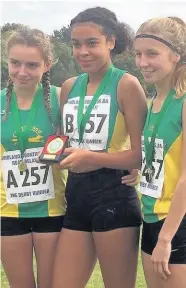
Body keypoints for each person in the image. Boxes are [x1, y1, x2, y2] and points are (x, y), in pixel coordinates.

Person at [52, 6, 147, 288]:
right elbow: (64, 139)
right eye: (76, 44)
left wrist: (91, 158)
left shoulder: (127, 85)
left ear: (111, 42)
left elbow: (142, 155)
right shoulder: (69, 86)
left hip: (114, 196)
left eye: (92, 43)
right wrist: (53, 153)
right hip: (77, 195)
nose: (82, 52)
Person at [1, 27, 67, 288]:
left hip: (51, 208)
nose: (22, 71)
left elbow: (88, 141)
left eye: (32, 64)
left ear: (47, 65)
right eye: (15, 63)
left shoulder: (61, 97)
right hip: (8, 210)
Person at [122, 16, 186, 288]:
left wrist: (166, 238)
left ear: (176, 55)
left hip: (176, 225)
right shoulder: (157, 100)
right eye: (138, 54)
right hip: (151, 217)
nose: (142, 62)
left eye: (152, 54)